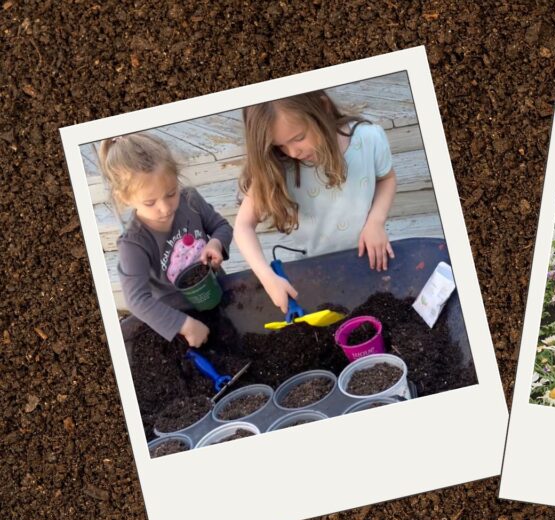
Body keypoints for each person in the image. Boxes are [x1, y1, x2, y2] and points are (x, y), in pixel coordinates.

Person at [234, 90, 398, 315]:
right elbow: (243, 226)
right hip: (315, 273)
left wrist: (376, 221)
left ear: (323, 108)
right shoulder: (280, 165)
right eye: (280, 145)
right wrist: (267, 277)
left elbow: (386, 179)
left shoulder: (369, 139)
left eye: (299, 138)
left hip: (369, 261)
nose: (293, 152)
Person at [101, 133, 233, 347]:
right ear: (125, 198)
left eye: (171, 193)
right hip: (178, 317)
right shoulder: (134, 243)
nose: (164, 208)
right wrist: (185, 325)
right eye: (150, 202)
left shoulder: (190, 201)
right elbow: (137, 300)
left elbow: (221, 227)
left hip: (215, 293)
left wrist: (216, 243)